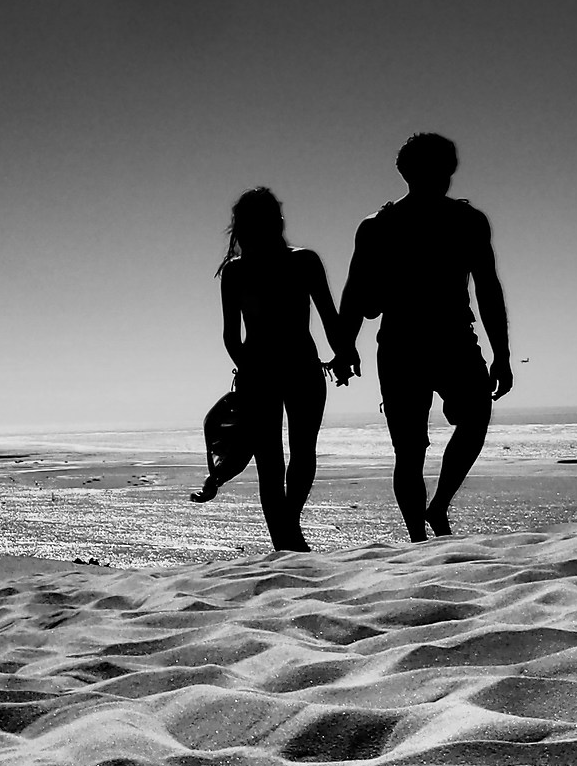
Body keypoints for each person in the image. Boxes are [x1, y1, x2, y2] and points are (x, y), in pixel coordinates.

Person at [332, 132, 518, 542]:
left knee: (474, 419)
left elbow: (488, 287)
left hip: (451, 339)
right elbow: (356, 291)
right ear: (408, 173)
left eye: (444, 168)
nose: (442, 176)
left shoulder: (468, 221)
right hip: (403, 344)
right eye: (433, 168)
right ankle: (418, 535)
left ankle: (437, 508)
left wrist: (502, 353)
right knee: (410, 450)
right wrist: (344, 346)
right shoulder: (379, 225)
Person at [214, 186, 345, 551]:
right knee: (302, 452)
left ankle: (285, 537)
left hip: (262, 372)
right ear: (279, 221)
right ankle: (289, 533)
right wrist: (345, 354)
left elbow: (230, 337)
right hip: (301, 367)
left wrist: (250, 370)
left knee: (270, 461)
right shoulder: (303, 261)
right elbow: (330, 319)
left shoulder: (236, 271)